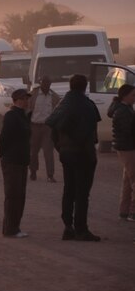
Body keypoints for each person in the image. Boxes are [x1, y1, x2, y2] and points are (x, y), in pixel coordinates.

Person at [46, 74, 101, 241]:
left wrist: (61, 148)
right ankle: (81, 229)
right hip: (84, 155)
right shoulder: (88, 105)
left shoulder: (63, 104)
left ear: (71, 86)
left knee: (69, 190)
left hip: (67, 154)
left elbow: (53, 128)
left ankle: (68, 227)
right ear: (85, 86)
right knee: (82, 193)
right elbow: (92, 133)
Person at [0, 89, 32, 238]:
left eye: (27, 98)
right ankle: (10, 228)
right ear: (17, 100)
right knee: (13, 195)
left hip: (21, 160)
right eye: (24, 98)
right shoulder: (11, 116)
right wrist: (0, 154)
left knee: (20, 195)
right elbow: (4, 137)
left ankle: (15, 227)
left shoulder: (23, 116)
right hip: (12, 160)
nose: (27, 101)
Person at [107, 84, 135, 222]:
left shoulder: (124, 108)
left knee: (128, 180)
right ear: (125, 96)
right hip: (127, 147)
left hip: (125, 147)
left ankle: (124, 211)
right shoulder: (123, 111)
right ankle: (132, 212)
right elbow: (127, 132)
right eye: (133, 95)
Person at [29, 76, 60, 182]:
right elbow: (28, 109)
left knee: (48, 152)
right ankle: (33, 171)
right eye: (44, 83)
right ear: (40, 83)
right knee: (33, 152)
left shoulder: (54, 97)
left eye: (48, 83)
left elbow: (57, 112)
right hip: (34, 126)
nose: (46, 85)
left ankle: (50, 175)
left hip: (48, 127)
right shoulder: (33, 95)